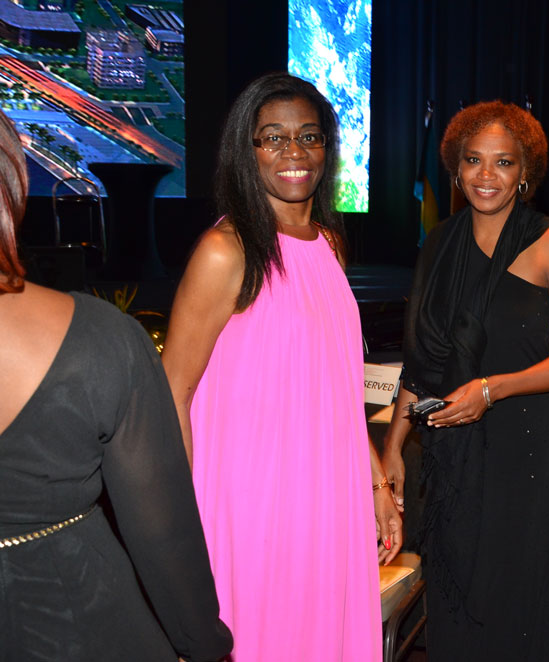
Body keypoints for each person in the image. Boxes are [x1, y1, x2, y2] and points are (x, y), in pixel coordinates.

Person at [161, 73, 401, 662]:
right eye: (273, 138)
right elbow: (174, 392)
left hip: (326, 495)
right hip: (249, 502)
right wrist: (178, 520)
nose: (294, 152)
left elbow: (336, 389)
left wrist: (374, 484)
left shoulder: (329, 245)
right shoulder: (227, 251)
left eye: (309, 136)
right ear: (246, 150)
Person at [0, 114, 232, 659]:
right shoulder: (101, 340)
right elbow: (163, 532)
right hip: (77, 622)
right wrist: (204, 645)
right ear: (13, 183)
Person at [380, 100, 549, 660]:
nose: (487, 174)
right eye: (474, 160)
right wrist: (393, 447)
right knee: (452, 585)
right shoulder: (438, 243)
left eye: (503, 162)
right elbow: (422, 362)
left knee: (510, 594)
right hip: (448, 447)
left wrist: (493, 388)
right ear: (456, 169)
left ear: (525, 172)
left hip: (522, 443)